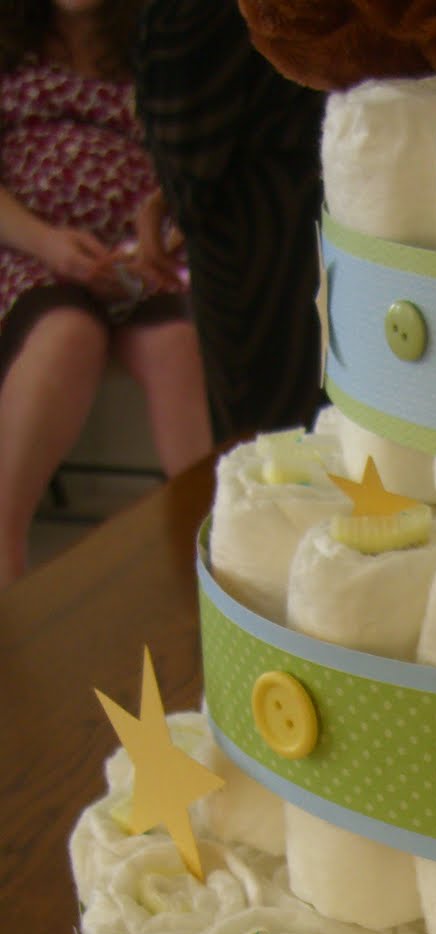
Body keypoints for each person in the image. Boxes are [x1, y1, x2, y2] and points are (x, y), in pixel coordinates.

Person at [0, 0, 213, 587]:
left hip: (138, 258)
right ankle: (4, 554)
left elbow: (188, 161)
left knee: (176, 345)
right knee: (68, 335)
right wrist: (47, 243)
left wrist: (161, 238)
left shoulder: (156, 41)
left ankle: (213, 566)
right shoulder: (9, 48)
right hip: (29, 249)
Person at [134, 0, 326, 447]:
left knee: (268, 437)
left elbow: (188, 124)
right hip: (330, 191)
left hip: (253, 229)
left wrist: (182, 198)